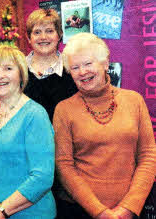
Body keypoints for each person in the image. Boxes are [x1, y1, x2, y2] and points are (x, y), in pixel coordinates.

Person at [54, 33, 156, 219]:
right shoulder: (64, 110)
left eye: (88, 64)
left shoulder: (134, 101)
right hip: (79, 211)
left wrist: (129, 207)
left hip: (129, 211)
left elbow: (148, 156)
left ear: (105, 64)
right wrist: (99, 212)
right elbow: (64, 166)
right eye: (75, 67)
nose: (82, 72)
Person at [0, 45, 56, 219]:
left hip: (31, 214)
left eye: (8, 69)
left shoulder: (35, 114)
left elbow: (42, 177)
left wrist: (2, 211)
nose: (0, 75)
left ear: (21, 74)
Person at [24, 8, 78, 122]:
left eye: (49, 31)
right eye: (37, 32)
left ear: (60, 35)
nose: (43, 37)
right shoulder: (18, 69)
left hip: (63, 138)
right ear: (29, 38)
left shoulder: (73, 68)